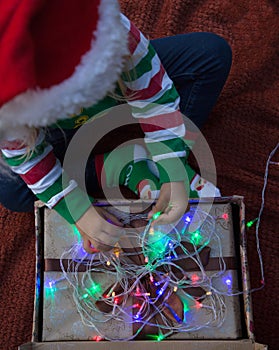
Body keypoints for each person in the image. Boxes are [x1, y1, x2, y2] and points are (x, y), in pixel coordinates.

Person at [0, 0, 232, 252]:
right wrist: (78, 210)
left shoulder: (108, 29)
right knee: (12, 190)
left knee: (211, 55)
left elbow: (156, 96)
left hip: (119, 87)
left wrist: (172, 164)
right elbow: (25, 159)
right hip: (48, 132)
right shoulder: (8, 99)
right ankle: (120, 164)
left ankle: (158, 149)